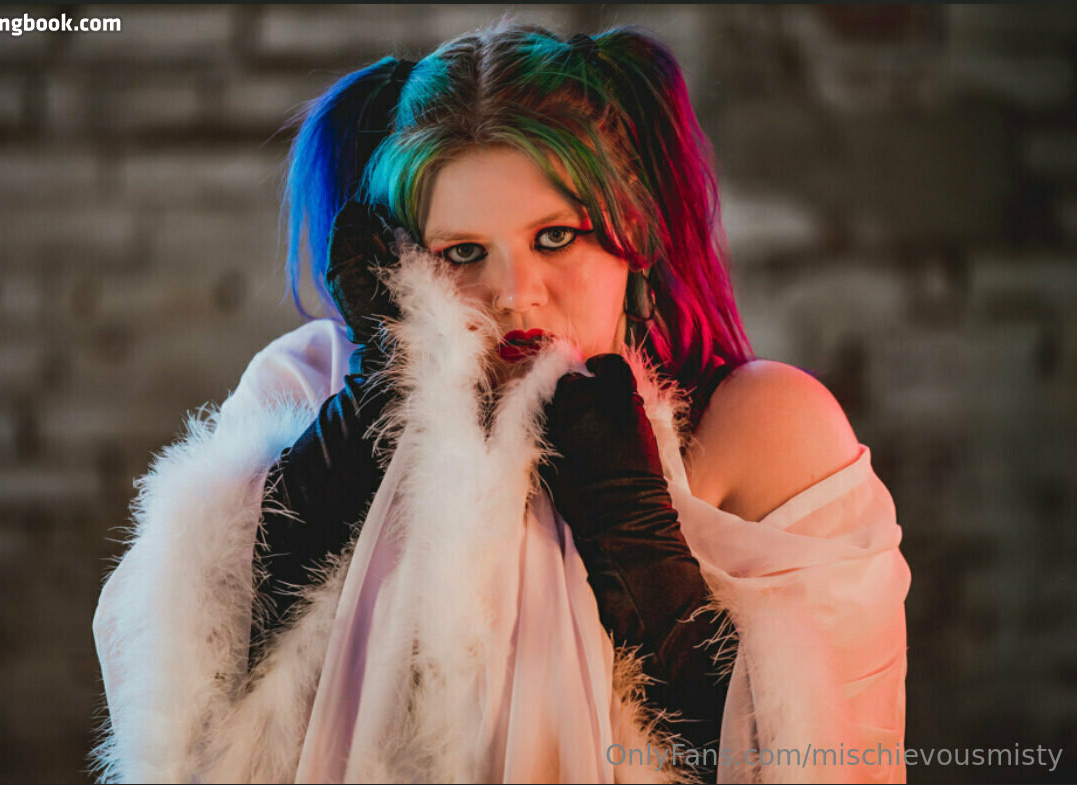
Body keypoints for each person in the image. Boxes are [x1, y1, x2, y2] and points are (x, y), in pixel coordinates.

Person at [89, 21, 910, 785]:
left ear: (634, 236)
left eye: (556, 237)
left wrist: (637, 539)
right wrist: (363, 433)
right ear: (401, 261)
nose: (515, 293)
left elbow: (833, 761)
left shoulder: (762, 426)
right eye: (462, 253)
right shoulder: (309, 387)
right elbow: (173, 719)